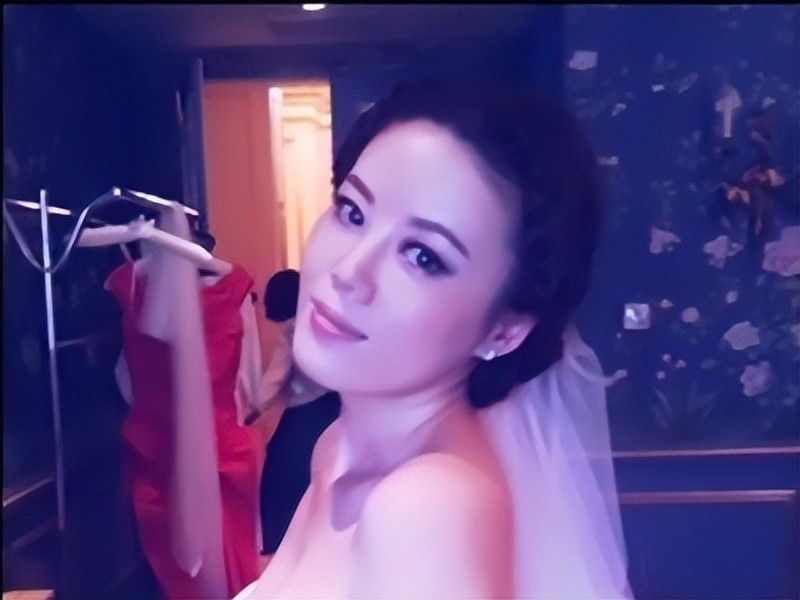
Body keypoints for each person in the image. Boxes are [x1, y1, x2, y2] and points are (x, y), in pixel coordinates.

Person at [236, 80, 632, 599]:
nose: (350, 270)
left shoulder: (426, 506)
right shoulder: (338, 448)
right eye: (352, 212)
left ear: (503, 329)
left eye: (423, 257)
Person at [106, 213, 264, 599]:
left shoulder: (134, 293)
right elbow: (250, 384)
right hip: (221, 448)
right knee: (230, 568)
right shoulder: (232, 295)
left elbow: (124, 380)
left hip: (155, 452)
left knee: (172, 575)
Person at [257, 269, 341, 555]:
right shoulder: (322, 322)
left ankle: (289, 553)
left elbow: (273, 382)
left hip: (304, 416)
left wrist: (249, 406)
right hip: (334, 411)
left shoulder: (290, 332)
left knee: (282, 484)